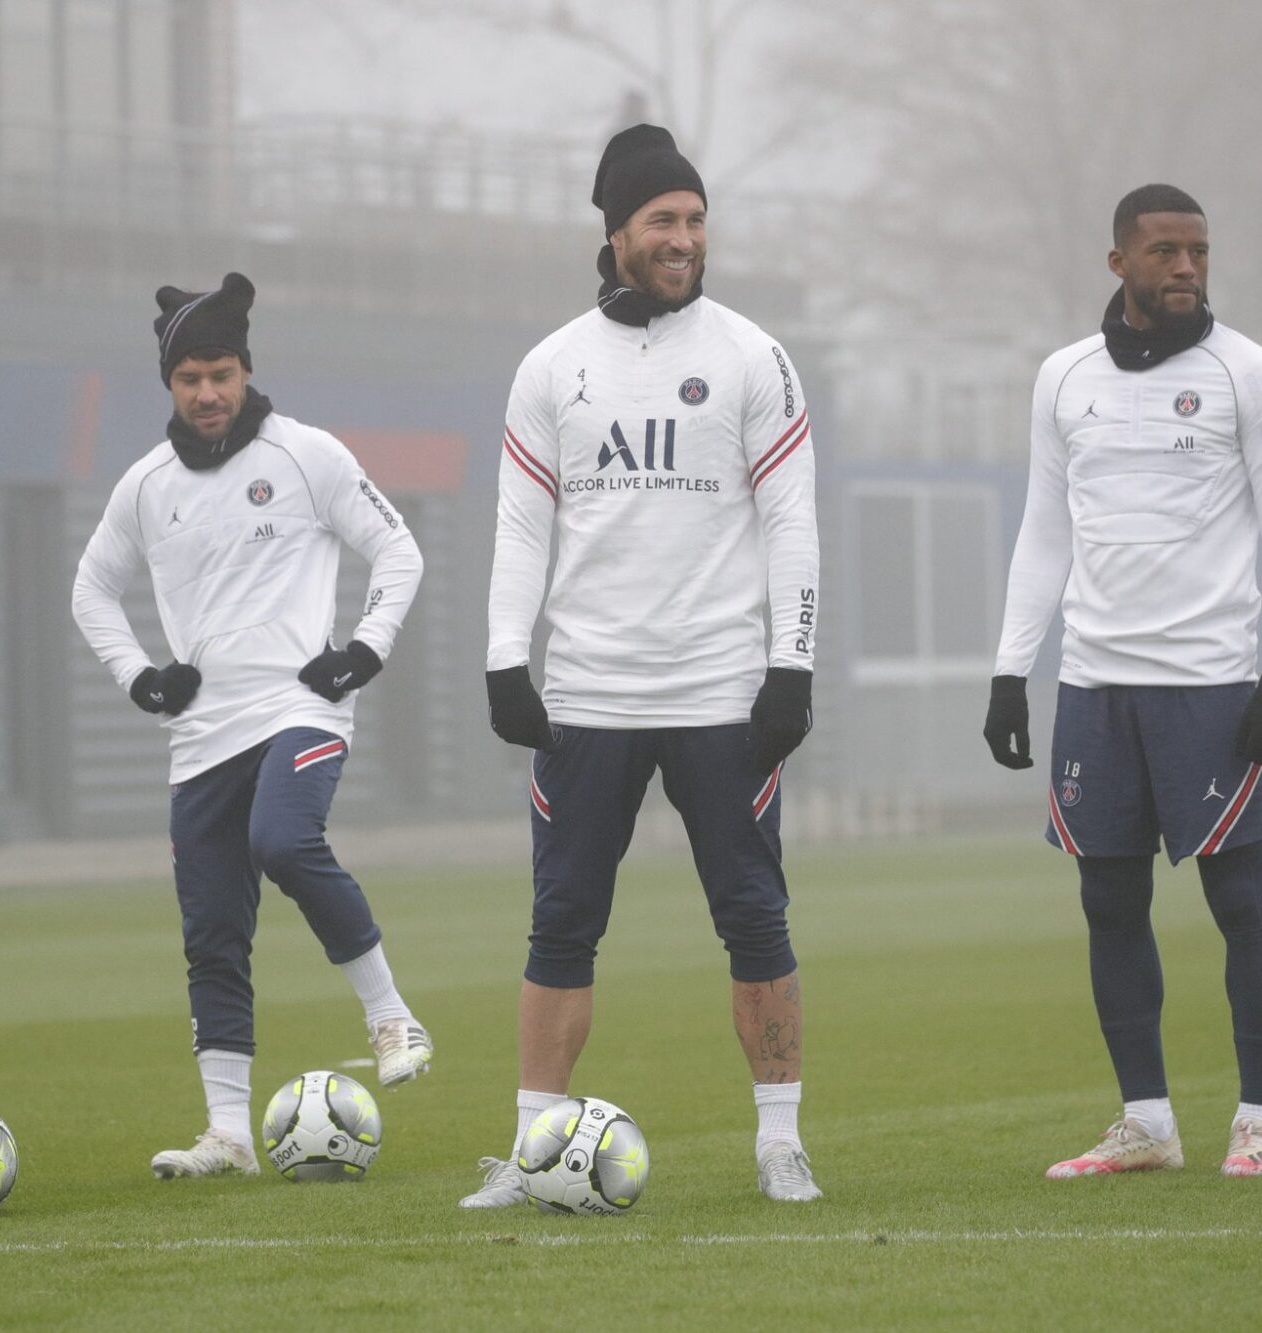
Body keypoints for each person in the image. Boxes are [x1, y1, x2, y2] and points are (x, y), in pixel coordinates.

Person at [464, 125, 822, 1208]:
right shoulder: (551, 365)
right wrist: (501, 660)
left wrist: (789, 662)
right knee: (559, 925)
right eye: (661, 220)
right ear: (614, 230)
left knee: (754, 920)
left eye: (695, 220)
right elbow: (521, 528)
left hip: (720, 691)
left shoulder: (752, 356)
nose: (682, 239)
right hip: (584, 695)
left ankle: (778, 1144)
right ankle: (529, 1156)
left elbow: (792, 520)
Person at [984, 184, 1262, 1179]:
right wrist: (1010, 669)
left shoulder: (1248, 375)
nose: (1184, 268)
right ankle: (1147, 1123)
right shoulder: (1061, 379)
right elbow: (1045, 528)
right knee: (1107, 902)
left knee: (1239, 901)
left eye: (1197, 251)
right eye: (1163, 250)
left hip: (1210, 687)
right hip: (1094, 686)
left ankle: (1255, 1121)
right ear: (1117, 262)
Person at [72, 272, 433, 1180]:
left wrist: (363, 652)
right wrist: (141, 676)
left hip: (300, 707)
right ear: (169, 382)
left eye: (223, 373)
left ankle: (390, 1013)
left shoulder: (306, 454)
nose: (208, 392)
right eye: (191, 376)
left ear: (245, 370)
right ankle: (228, 1134)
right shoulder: (145, 487)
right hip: (201, 738)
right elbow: (90, 589)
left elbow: (398, 546)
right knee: (212, 936)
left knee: (283, 836)